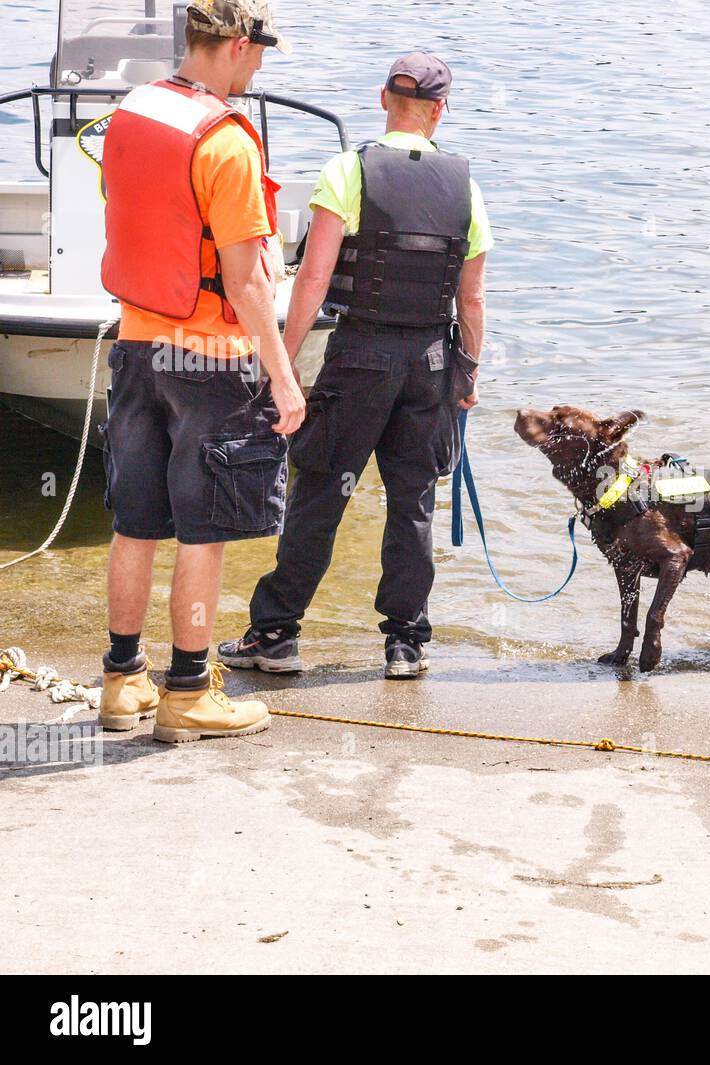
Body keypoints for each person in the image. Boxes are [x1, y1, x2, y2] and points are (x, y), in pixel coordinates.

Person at [218, 52, 492, 679]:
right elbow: (471, 299)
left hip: (359, 357)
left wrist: (280, 364)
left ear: (382, 99)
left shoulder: (349, 169)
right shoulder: (466, 186)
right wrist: (467, 373)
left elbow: (314, 278)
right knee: (413, 500)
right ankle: (405, 643)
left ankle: (276, 634)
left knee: (320, 491)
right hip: (429, 361)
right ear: (440, 109)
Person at [97, 0, 305, 742]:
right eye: (259, 53)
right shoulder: (228, 143)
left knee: (134, 522)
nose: (260, 67)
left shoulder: (133, 112)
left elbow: (127, 209)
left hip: (135, 342)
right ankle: (188, 691)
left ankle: (122, 682)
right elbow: (248, 284)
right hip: (210, 360)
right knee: (203, 530)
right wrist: (283, 377)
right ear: (238, 44)